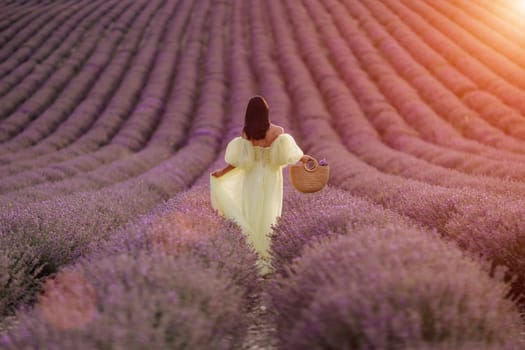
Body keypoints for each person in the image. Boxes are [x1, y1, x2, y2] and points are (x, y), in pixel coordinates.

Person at [210, 96, 312, 276]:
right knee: (270, 214)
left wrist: (221, 173)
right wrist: (305, 159)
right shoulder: (277, 132)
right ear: (266, 113)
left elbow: (238, 163)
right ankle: (266, 257)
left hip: (252, 178)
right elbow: (289, 156)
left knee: (251, 213)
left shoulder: (247, 134)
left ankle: (252, 255)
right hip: (271, 178)